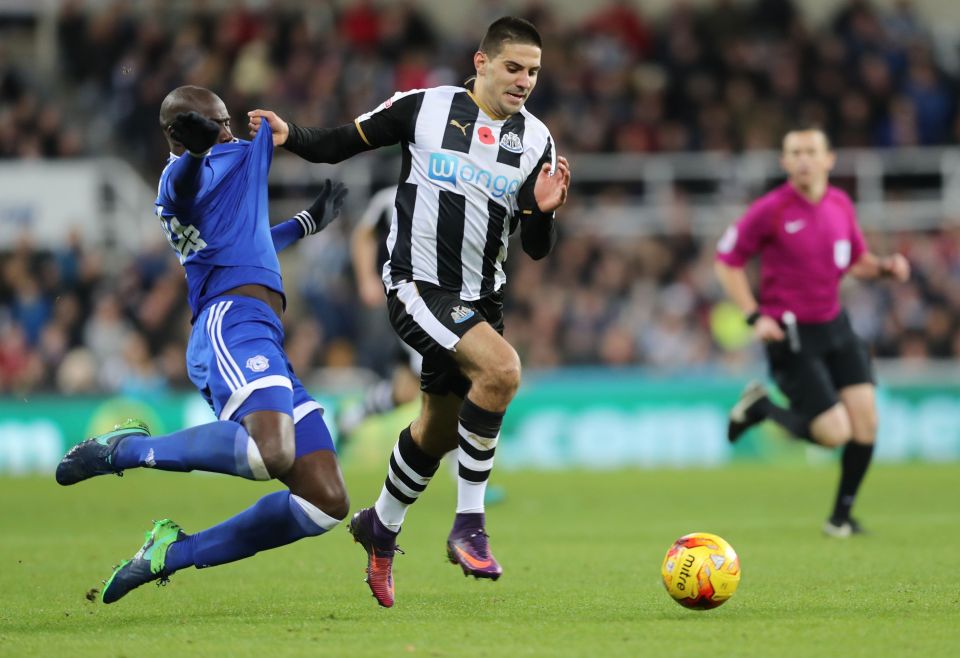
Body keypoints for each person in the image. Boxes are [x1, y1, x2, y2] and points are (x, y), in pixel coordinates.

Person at [250, 16, 571, 607]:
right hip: (417, 287)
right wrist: (288, 134)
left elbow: (538, 248)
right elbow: (342, 141)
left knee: (438, 431)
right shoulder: (424, 108)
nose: (524, 80)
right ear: (481, 63)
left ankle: (381, 523)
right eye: (513, 67)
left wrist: (543, 213)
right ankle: (469, 525)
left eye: (533, 71)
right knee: (501, 371)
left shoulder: (537, 142)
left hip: (482, 299)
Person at [55, 85, 350, 604]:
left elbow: (247, 236)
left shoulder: (225, 168)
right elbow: (184, 191)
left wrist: (305, 223)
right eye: (213, 126)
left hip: (260, 329)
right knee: (268, 453)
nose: (227, 132)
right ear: (179, 134)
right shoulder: (179, 177)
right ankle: (123, 450)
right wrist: (194, 153)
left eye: (226, 122)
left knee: (324, 501)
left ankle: (170, 552)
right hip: (230, 324)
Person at [715, 125, 910, 538]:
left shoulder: (840, 204)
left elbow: (854, 260)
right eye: (795, 152)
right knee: (833, 433)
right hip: (791, 334)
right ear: (785, 162)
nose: (803, 159)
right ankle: (760, 407)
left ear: (829, 159)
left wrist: (885, 268)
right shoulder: (770, 209)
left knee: (867, 423)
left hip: (836, 327)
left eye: (811, 151)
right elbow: (726, 261)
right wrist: (754, 316)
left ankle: (840, 518)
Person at [335, 185, 423, 445]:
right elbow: (364, 234)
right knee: (446, 382)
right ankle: (466, 479)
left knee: (407, 390)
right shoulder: (392, 198)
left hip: (439, 303)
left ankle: (352, 417)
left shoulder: (451, 193)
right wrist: (365, 279)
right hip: (410, 305)